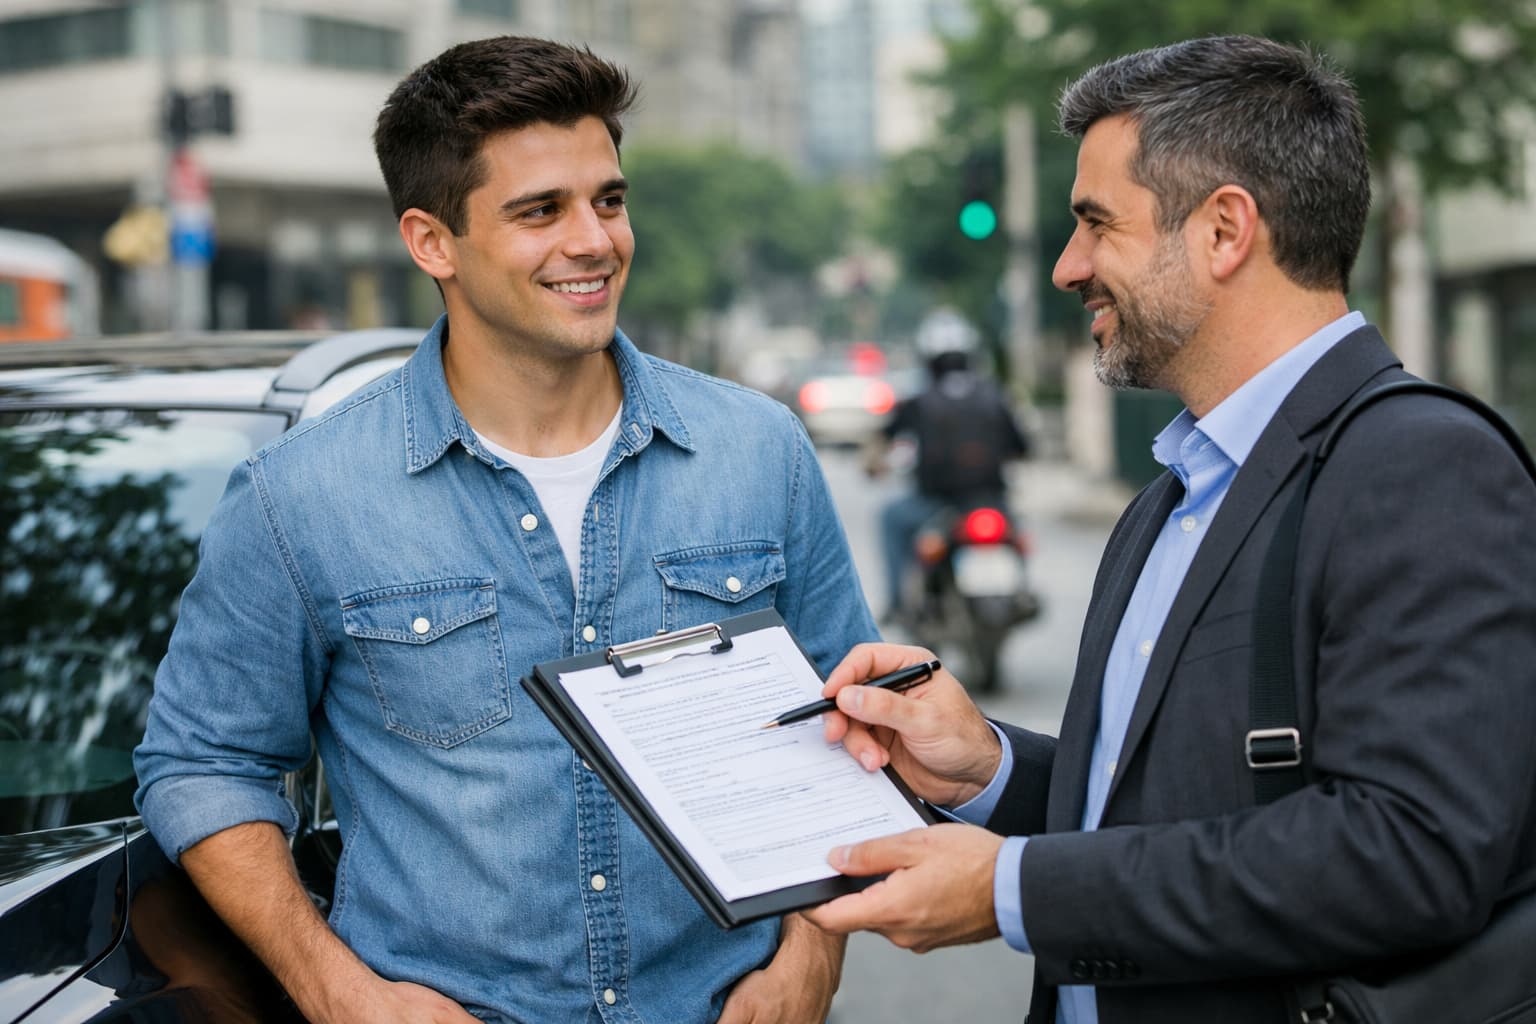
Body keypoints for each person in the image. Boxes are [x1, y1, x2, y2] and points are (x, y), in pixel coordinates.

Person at [134, 35, 876, 1024]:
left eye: (608, 200)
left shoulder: (759, 451)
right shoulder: (300, 496)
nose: (595, 240)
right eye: (541, 211)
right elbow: (201, 761)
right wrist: (340, 993)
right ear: (432, 241)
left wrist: (814, 948)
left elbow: (850, 724)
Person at [803, 34, 1536, 1023]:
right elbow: (1173, 809)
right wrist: (991, 768)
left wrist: (1013, 890)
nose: (1069, 268)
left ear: (1226, 229)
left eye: (1098, 224)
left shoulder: (1419, 465)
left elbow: (1409, 850)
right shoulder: (1172, 493)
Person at [869, 308, 1029, 621]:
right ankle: (1022, 592)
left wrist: (876, 466)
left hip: (936, 505)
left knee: (890, 518)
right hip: (991, 500)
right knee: (1016, 533)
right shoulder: (995, 397)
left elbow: (880, 444)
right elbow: (1022, 448)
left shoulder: (917, 402)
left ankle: (897, 603)